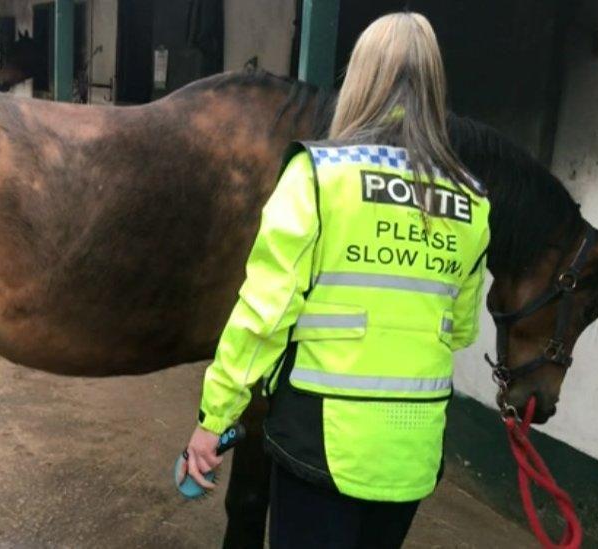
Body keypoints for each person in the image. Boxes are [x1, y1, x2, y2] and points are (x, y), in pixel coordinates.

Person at [180, 12, 490, 548]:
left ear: (361, 78)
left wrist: (215, 419)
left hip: (320, 443)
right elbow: (459, 330)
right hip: (413, 453)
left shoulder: (320, 176)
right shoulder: (472, 201)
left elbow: (263, 315)